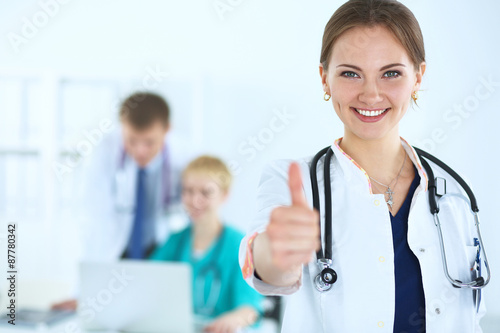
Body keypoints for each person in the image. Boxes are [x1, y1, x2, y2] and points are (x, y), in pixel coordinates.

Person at [239, 0, 486, 332]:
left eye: (391, 73)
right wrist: (277, 252)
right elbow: (267, 264)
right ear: (324, 78)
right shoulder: (294, 181)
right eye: (351, 73)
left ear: (418, 77)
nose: (371, 94)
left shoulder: (453, 189)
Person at [53, 92, 193, 310]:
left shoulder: (186, 155)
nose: (140, 150)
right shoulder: (104, 152)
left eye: (149, 142)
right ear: (122, 129)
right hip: (118, 254)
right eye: (131, 141)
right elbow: (93, 223)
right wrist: (84, 292)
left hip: (162, 253)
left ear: (167, 130)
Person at [151, 156, 263, 333]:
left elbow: (252, 312)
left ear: (224, 194)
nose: (195, 201)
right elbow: (146, 283)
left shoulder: (239, 246)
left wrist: (234, 319)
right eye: (188, 191)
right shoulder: (175, 241)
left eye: (206, 192)